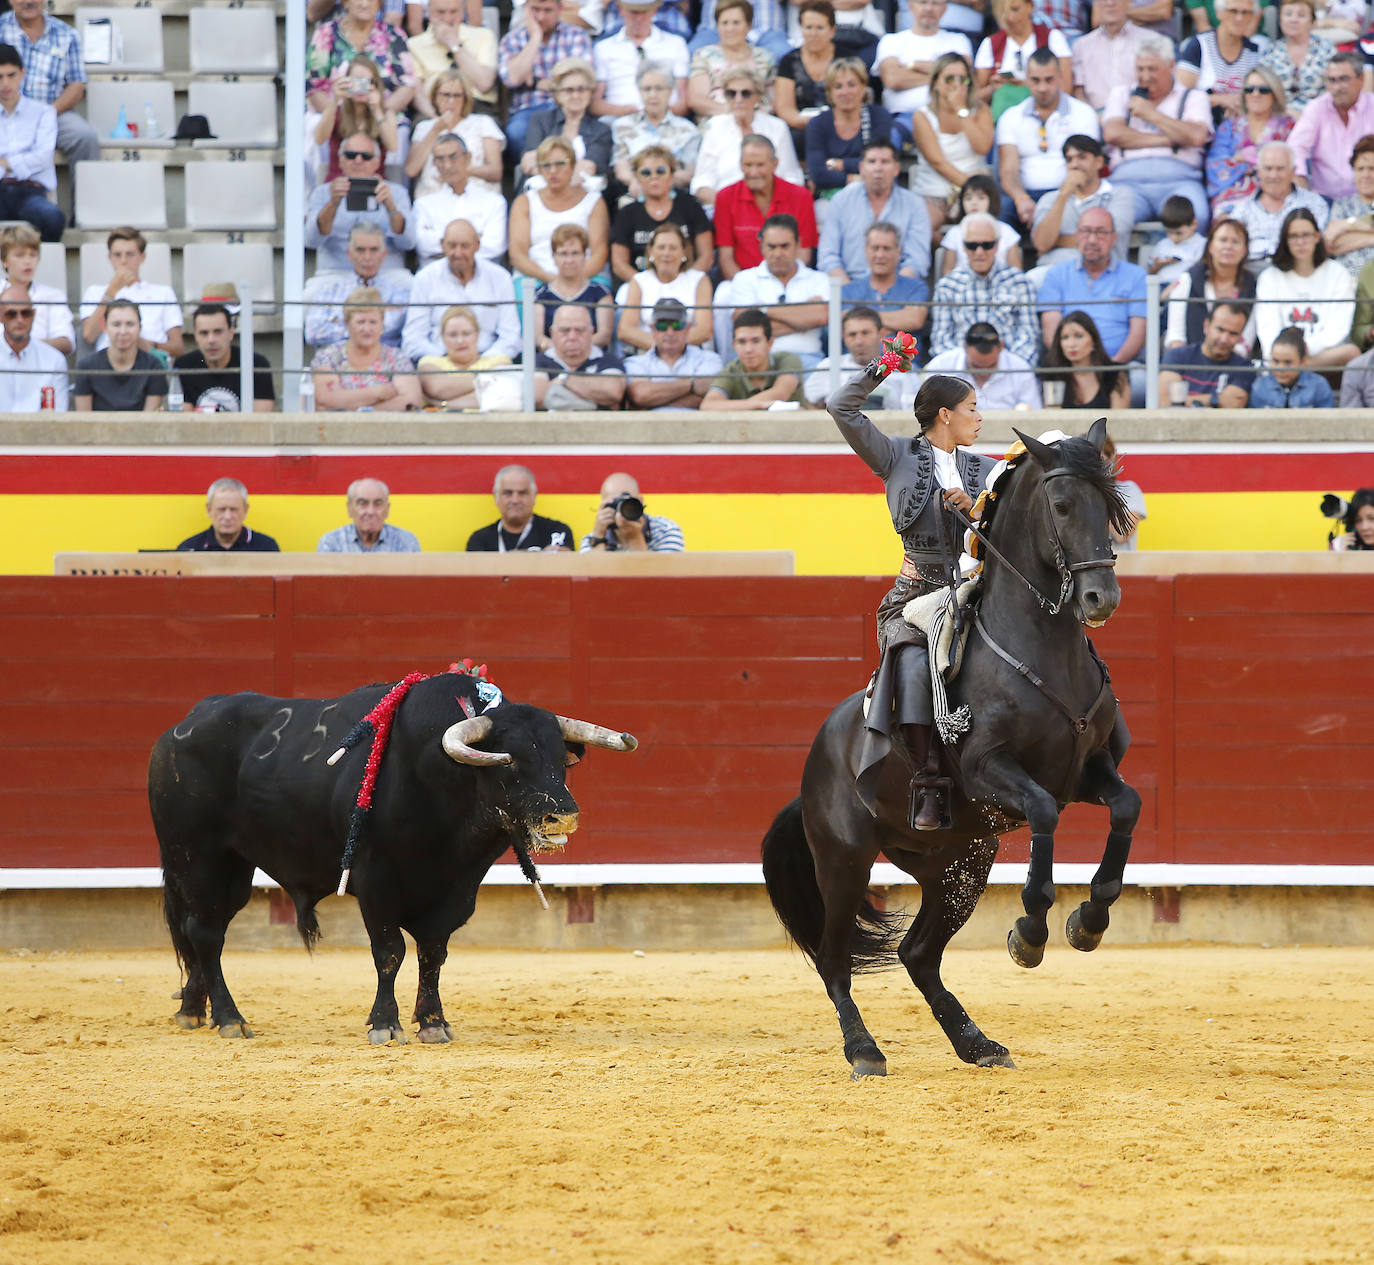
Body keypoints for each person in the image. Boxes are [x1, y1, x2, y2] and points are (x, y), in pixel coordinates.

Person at [825, 355, 997, 828]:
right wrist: (883, 366)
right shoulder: (894, 455)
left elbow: (1013, 531)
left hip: (976, 594)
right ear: (946, 414)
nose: (979, 417)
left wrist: (980, 513)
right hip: (915, 597)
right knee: (917, 666)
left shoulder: (989, 470)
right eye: (971, 408)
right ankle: (928, 781)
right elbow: (841, 407)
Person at [1102, 35, 1214, 230]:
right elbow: (1112, 134)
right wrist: (1170, 139)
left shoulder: (1193, 97)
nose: (1145, 76)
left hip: (1180, 180)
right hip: (1128, 182)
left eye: (1152, 69)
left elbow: (1196, 136)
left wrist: (1152, 114)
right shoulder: (1121, 94)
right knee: (1108, 222)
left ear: (1171, 65)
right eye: (1140, 69)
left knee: (1198, 216)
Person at [994, 48, 1100, 230]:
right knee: (1001, 211)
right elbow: (1008, 171)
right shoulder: (1011, 117)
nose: (1042, 88)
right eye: (1035, 80)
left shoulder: (1083, 114)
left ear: (1060, 77)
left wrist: (1059, 199)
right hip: (1025, 195)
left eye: (1049, 80)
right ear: (1026, 79)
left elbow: (1086, 167)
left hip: (1070, 192)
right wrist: (1021, 199)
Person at [0, 0, 99, 180]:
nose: (28, 1)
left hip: (54, 111)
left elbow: (76, 85)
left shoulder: (67, 34)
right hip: (4, 112)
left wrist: (45, 115)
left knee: (84, 137)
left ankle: (84, 207)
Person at [403, 218, 522, 365]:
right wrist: (447, 360)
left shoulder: (500, 277)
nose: (458, 253)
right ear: (442, 245)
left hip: (489, 361)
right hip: (440, 362)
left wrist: (482, 362)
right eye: (452, 246)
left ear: (477, 246)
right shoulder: (425, 278)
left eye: (465, 246)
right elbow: (413, 338)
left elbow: (511, 336)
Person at [1038, 208, 1148, 366]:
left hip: (1119, 366)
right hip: (1069, 365)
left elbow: (1138, 334)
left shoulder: (1136, 276)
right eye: (1085, 231)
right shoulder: (1056, 275)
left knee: (1139, 380)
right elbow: (1051, 335)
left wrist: (1110, 369)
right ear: (1076, 235)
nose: (1092, 240)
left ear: (1114, 238)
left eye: (1101, 232)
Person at [717, 213, 829, 367]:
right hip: (757, 363)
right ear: (761, 246)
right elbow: (747, 329)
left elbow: (821, 316)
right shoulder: (744, 278)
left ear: (798, 245)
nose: (778, 254)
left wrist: (762, 308)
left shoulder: (820, 279)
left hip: (809, 362)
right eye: (771, 246)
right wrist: (802, 320)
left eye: (784, 246)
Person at [930, 212, 1040, 364]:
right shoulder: (947, 285)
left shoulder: (1020, 282)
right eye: (972, 245)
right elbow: (940, 341)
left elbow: (1029, 337)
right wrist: (968, 365)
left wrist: (1002, 366)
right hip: (960, 373)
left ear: (997, 245)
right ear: (963, 246)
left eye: (987, 245)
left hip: (1010, 371)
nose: (979, 252)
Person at [817, 140, 931, 284]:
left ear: (896, 168)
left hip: (898, 292)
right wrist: (851, 293)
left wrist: (889, 293)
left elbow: (917, 260)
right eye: (871, 161)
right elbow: (828, 257)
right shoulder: (841, 201)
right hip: (848, 289)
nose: (878, 168)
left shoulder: (914, 204)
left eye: (885, 162)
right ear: (861, 168)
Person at [1254, 207, 1358, 363]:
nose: (1300, 242)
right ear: (1285, 240)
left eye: (1306, 235)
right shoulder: (1270, 277)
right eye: (1293, 236)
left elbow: (1338, 329)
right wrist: (1284, 355)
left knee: (1351, 352)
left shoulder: (1338, 273)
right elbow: (1267, 328)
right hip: (1280, 357)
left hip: (1317, 357)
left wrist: (1299, 353)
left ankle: (1292, 366)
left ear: (1317, 237)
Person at [304, 132, 415, 272]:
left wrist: (390, 206)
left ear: (377, 162)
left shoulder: (396, 192)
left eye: (366, 156)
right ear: (340, 160)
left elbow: (408, 242)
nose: (358, 160)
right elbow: (311, 241)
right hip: (336, 272)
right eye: (350, 155)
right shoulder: (323, 192)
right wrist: (333, 204)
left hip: (387, 273)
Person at [691, 68, 801, 207]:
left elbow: (791, 177)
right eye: (731, 93)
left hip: (773, 207)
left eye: (746, 93)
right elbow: (702, 182)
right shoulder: (714, 127)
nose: (738, 99)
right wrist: (730, 207)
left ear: (758, 97)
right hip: (725, 207)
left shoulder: (777, 127)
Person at [910, 53, 993, 233]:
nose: (956, 85)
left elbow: (983, 147)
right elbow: (938, 162)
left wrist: (960, 110)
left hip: (975, 195)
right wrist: (972, 185)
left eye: (963, 79)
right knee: (922, 229)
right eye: (949, 79)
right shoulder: (922, 116)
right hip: (935, 193)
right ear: (935, 83)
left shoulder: (981, 110)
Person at [509, 136, 609, 285]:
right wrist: (552, 280)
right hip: (535, 277)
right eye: (546, 165)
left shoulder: (594, 202)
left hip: (586, 277)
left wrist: (572, 282)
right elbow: (517, 255)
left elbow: (599, 254)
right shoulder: (524, 202)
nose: (553, 171)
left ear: (573, 165)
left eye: (560, 164)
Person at [497, 0, 594, 154]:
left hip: (569, 107)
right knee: (516, 133)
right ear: (526, 10)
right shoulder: (512, 39)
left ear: (559, 9)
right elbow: (513, 79)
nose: (541, 17)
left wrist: (534, 82)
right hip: (528, 110)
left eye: (547, 11)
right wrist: (536, 37)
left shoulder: (576, 35)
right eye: (535, 10)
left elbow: (582, 78)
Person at [713, 135, 817, 278]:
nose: (754, 173)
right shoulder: (725, 198)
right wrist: (746, 288)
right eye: (748, 165)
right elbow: (726, 258)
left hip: (791, 283)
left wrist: (782, 286)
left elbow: (803, 254)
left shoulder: (800, 197)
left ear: (775, 164)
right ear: (740, 164)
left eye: (760, 165)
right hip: (742, 286)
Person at [1030, 134, 1137, 271]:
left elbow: (1105, 240)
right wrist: (1063, 196)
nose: (1075, 165)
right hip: (1053, 273)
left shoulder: (1119, 194)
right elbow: (1042, 243)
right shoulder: (1051, 199)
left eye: (1082, 157)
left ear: (1099, 162)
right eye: (1069, 160)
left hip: (1103, 274)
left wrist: (1056, 242)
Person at [303, 223, 413, 350]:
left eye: (374, 250)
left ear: (384, 254)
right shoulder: (329, 292)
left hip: (385, 364)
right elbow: (313, 333)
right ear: (349, 253)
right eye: (360, 250)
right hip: (338, 363)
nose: (367, 257)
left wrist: (341, 323)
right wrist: (372, 329)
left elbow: (409, 334)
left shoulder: (400, 294)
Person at [610, 147, 712, 284]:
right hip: (640, 285)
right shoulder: (627, 214)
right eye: (646, 172)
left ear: (672, 175)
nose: (654, 177)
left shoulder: (690, 206)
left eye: (660, 171)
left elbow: (706, 256)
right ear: (637, 177)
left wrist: (686, 282)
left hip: (686, 282)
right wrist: (646, 285)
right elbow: (619, 264)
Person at [311, 287, 423, 410]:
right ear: (347, 324)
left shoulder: (396, 357)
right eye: (360, 322)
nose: (367, 328)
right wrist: (377, 393)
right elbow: (324, 400)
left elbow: (411, 401)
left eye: (373, 322)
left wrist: (367, 411)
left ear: (382, 324)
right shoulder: (329, 356)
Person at [78, 228, 183, 360]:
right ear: (109, 258)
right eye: (117, 255)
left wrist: (146, 344)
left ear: (142, 257)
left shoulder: (163, 292)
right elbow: (89, 335)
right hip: (107, 367)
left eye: (130, 254)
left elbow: (178, 347)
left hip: (151, 365)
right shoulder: (94, 292)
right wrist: (111, 291)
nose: (123, 261)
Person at [877, 0, 973, 145]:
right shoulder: (891, 40)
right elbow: (893, 79)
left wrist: (913, 66)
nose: (929, 8)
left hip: (949, 116)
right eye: (922, 2)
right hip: (904, 118)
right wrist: (943, 76)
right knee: (889, 137)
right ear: (910, 6)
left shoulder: (958, 41)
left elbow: (962, 77)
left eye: (935, 3)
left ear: (944, 8)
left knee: (982, 132)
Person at [804, 59, 895, 209]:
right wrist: (855, 177)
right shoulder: (817, 124)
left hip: (874, 195)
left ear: (863, 87)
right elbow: (818, 175)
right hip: (828, 199)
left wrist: (840, 164)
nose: (845, 92)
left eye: (851, 85)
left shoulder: (879, 117)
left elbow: (881, 164)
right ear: (830, 92)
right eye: (838, 87)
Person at [1204, 65, 1294, 213]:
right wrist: (1261, 163)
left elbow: (1290, 163)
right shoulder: (1230, 127)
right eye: (1249, 90)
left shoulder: (1288, 126)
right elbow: (1215, 164)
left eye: (1263, 90)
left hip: (1274, 192)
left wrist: (1245, 156)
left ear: (1275, 94)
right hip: (1231, 193)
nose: (1256, 94)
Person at [1219, 141, 1328, 261]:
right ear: (1259, 171)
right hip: (1252, 272)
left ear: (1293, 171)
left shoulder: (1314, 204)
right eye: (1268, 168)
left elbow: (1321, 246)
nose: (1274, 175)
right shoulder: (1242, 210)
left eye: (1280, 169)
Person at [1287, 52, 1374, 202]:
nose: (1337, 87)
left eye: (1343, 79)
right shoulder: (1317, 108)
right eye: (1331, 80)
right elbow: (1295, 148)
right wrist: (1300, 180)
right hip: (1325, 200)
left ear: (1361, 79)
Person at [520, 58, 613, 196]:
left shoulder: (601, 130)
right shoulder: (540, 120)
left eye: (582, 89)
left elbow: (590, 167)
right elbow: (529, 162)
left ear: (590, 92)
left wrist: (548, 167)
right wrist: (573, 169)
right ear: (557, 93)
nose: (576, 95)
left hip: (583, 195)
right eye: (569, 90)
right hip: (541, 194)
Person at [406, 71, 505, 199]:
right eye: (445, 95)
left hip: (475, 197)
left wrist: (458, 172)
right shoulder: (424, 127)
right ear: (435, 96)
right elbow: (411, 170)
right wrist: (435, 130)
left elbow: (495, 171)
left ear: (465, 98)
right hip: (433, 199)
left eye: (457, 96)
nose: (451, 101)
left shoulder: (483, 123)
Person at [0, 44, 64, 241]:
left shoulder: (44, 112)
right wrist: (21, 163)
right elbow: (34, 158)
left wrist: (5, 163)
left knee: (52, 218)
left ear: (22, 74)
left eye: (11, 75)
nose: (5, 83)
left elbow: (43, 157)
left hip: (31, 191)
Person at [609, 65, 702, 199]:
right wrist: (641, 183)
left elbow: (689, 173)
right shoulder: (623, 126)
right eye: (647, 89)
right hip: (635, 192)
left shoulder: (688, 130)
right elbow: (621, 169)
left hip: (674, 195)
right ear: (640, 92)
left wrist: (657, 183)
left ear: (670, 92)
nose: (653, 95)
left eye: (659, 89)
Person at [1165, 217, 1257, 351]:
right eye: (1223, 240)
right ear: (1210, 246)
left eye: (1235, 242)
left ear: (1245, 250)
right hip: (1188, 363)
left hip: (1232, 363)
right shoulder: (1188, 280)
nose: (1228, 247)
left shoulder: (1251, 286)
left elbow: (1245, 343)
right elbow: (1175, 337)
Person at [413, 134, 507, 264]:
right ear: (434, 163)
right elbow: (422, 245)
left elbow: (494, 246)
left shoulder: (494, 202)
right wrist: (473, 238)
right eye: (440, 159)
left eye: (453, 157)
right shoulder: (423, 204)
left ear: (467, 158)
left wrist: (441, 241)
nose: (447, 166)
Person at [618, 221, 712, 350]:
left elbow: (704, 330)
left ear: (684, 252)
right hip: (649, 353)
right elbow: (626, 330)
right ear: (651, 251)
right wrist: (662, 347)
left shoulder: (699, 280)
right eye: (661, 247)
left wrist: (673, 347)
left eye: (673, 248)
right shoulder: (639, 281)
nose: (666, 253)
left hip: (691, 352)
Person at [974, 0, 1072, 121]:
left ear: (1030, 6)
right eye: (1003, 12)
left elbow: (1066, 89)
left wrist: (1025, 84)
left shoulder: (1053, 38)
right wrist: (993, 88)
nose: (1010, 17)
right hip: (1002, 117)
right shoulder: (990, 44)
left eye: (1015, 9)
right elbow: (974, 96)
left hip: (1047, 114)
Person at [591, 0, 690, 119]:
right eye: (633, 12)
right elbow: (595, 103)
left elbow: (683, 101)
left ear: (654, 11)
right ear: (621, 10)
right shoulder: (603, 48)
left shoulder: (676, 44)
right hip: (618, 119)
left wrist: (657, 113)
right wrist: (622, 111)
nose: (639, 18)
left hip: (667, 119)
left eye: (644, 12)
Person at [311, 55, 402, 182]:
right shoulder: (337, 112)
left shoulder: (385, 114)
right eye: (356, 81)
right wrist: (335, 99)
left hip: (374, 184)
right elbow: (319, 139)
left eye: (366, 82)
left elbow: (392, 146)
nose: (360, 88)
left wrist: (376, 110)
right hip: (339, 182)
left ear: (375, 84)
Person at [805, 305, 914, 410]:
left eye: (865, 333)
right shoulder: (829, 365)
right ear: (844, 337)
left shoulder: (902, 371)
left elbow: (911, 413)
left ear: (881, 334)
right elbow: (809, 403)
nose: (859, 341)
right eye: (852, 334)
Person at [624, 296, 724, 409]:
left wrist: (652, 402)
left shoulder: (709, 359)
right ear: (653, 329)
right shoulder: (635, 362)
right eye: (662, 326)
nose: (670, 332)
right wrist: (692, 384)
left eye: (677, 325)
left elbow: (707, 399)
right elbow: (640, 395)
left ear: (688, 327)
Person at [173, 304, 276, 413]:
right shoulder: (184, 366)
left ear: (231, 333)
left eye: (218, 332)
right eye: (204, 333)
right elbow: (182, 419)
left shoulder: (256, 364)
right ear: (195, 336)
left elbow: (261, 420)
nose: (211, 340)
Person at [687, 0, 777, 119]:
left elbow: (774, 101)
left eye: (736, 23)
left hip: (758, 120)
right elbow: (696, 99)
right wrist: (733, 112)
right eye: (724, 23)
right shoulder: (704, 55)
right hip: (718, 121)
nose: (730, 29)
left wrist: (752, 114)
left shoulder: (765, 57)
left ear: (749, 25)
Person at [923, 320, 1041, 409]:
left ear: (1001, 348)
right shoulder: (941, 366)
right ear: (964, 348)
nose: (984, 372)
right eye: (977, 367)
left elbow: (1033, 412)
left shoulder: (1020, 368)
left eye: (991, 366)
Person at [406, 0, 498, 114]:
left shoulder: (484, 35)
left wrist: (454, 44)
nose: (447, 18)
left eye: (453, 12)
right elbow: (416, 94)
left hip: (477, 107)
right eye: (441, 12)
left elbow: (484, 84)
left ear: (462, 12)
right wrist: (437, 120)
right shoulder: (414, 44)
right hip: (432, 110)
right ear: (429, 12)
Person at [72, 300, 166, 412]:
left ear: (139, 327)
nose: (123, 331)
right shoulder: (86, 367)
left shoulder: (153, 366)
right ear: (104, 326)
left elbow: (150, 419)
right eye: (116, 324)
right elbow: (84, 420)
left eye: (130, 324)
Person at [701, 307, 804, 408]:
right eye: (741, 342)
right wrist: (758, 404)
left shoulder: (787, 360)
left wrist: (739, 407)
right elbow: (708, 405)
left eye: (756, 341)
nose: (748, 349)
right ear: (733, 344)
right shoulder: (732, 370)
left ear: (770, 343)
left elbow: (781, 393)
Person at [842, 221, 931, 338]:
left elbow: (914, 319)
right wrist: (896, 322)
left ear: (898, 251)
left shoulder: (916, 287)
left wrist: (862, 320)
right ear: (865, 250)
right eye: (875, 248)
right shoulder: (848, 291)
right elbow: (844, 324)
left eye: (886, 248)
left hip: (902, 356)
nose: (880, 255)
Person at [1158, 301, 1256, 406]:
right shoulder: (1177, 356)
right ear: (1206, 326)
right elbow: (1165, 402)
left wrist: (1183, 400)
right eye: (1220, 330)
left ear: (1240, 337)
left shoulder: (1244, 368)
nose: (1224, 339)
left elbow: (1233, 404)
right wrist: (1216, 399)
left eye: (1233, 333)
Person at [533, 223, 614, 350]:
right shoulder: (540, 295)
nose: (569, 260)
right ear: (553, 256)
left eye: (575, 253)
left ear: (585, 255)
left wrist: (575, 349)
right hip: (551, 359)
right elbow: (538, 337)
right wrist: (562, 351)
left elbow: (604, 336)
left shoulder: (601, 293)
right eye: (563, 253)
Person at [1177, 0, 1263, 118]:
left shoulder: (1255, 51)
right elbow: (1179, 95)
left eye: (1246, 13)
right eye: (1233, 11)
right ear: (1219, 13)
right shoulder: (1199, 45)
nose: (1239, 18)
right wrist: (1219, 99)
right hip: (1201, 120)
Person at [417, 303, 513, 409]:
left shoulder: (499, 360)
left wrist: (443, 404)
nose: (460, 341)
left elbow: (500, 396)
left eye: (466, 333)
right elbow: (437, 388)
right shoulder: (429, 362)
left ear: (477, 334)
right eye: (453, 335)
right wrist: (489, 379)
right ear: (442, 337)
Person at [534, 303, 626, 409]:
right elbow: (537, 395)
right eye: (565, 330)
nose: (572, 337)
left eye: (579, 330)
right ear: (552, 332)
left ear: (591, 332)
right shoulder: (538, 360)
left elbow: (613, 392)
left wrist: (564, 380)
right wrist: (592, 399)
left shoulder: (609, 360)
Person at [775, 0, 840, 147]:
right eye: (808, 27)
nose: (813, 34)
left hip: (840, 126)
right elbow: (785, 108)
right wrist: (807, 122)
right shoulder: (788, 61)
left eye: (820, 28)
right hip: (800, 128)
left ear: (832, 30)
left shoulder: (845, 59)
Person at [466, 464, 574, 551]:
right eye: (508, 493)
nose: (515, 500)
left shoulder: (555, 531)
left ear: (534, 496)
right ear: (496, 497)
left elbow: (563, 562)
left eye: (522, 493)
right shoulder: (479, 540)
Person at [0, 222, 70, 354]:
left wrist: (25, 347)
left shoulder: (53, 296)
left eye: (33, 255)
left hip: (41, 369)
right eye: (20, 255)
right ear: (4, 260)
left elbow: (66, 343)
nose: (28, 261)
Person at [1042, 309, 1131, 409]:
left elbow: (1119, 420)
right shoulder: (1054, 375)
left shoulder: (1114, 374)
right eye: (1065, 337)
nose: (1071, 344)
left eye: (1079, 336)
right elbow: (1053, 418)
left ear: (1094, 341)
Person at [1071, 0, 1147, 112]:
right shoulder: (1081, 45)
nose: (1110, 3)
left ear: (1129, 2)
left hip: (1136, 117)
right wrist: (1093, 117)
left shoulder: (1150, 41)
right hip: (1095, 118)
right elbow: (1078, 92)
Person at [0, 282, 66, 411]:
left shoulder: (54, 360)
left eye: (25, 313)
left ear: (34, 315)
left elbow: (59, 416)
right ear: (1, 317)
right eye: (11, 314)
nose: (19, 320)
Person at [1261, 0, 1335, 116]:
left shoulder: (1327, 50)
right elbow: (1263, 93)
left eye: (1301, 15)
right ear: (1280, 19)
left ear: (1312, 21)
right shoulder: (1270, 52)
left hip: (1321, 117)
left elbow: (1335, 90)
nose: (1293, 20)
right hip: (1280, 118)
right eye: (1288, 14)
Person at [580, 471, 684, 551]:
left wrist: (635, 538)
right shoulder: (591, 539)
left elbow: (662, 578)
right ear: (603, 506)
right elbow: (593, 577)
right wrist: (599, 536)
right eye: (615, 504)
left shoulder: (665, 531)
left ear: (640, 501)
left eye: (627, 502)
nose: (621, 510)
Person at [938, 173, 1021, 274]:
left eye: (981, 198)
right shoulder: (954, 233)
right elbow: (947, 271)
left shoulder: (1007, 231)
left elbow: (1016, 271)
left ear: (992, 200)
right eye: (968, 198)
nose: (974, 203)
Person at [317, 477, 421, 552]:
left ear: (387, 509)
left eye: (378, 504)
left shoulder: (406, 542)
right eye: (363, 504)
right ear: (350, 509)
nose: (371, 511)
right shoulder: (331, 543)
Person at [177, 478, 280, 553]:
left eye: (234, 509)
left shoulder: (266, 548)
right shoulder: (190, 549)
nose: (228, 517)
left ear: (245, 510)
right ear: (209, 510)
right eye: (221, 509)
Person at [1324, 136, 1374, 280]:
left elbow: (1341, 240)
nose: (1366, 175)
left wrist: (1347, 225)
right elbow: (1333, 245)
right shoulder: (1342, 205)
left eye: (1372, 169)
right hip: (1348, 282)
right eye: (1360, 169)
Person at [1249, 324, 1335, 407]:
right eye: (1275, 361)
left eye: (1288, 362)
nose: (1281, 368)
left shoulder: (1319, 386)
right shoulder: (1260, 386)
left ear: (1303, 361)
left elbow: (1328, 419)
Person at [1141, 196, 1206, 286]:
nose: (1173, 238)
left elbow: (1200, 273)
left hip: (1186, 287)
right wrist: (1158, 266)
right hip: (1160, 285)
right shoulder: (1163, 244)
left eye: (1178, 233)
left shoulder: (1202, 244)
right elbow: (1149, 274)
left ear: (1194, 224)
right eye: (1169, 232)